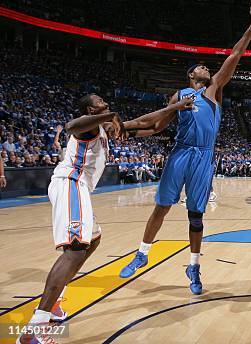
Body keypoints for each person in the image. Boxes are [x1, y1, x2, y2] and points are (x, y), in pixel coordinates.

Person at [17, 93, 194, 344]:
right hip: (70, 183)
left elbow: (151, 124)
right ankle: (35, 328)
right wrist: (110, 116)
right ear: (91, 108)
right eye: (99, 100)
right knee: (75, 251)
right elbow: (71, 126)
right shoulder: (87, 129)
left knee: (93, 239)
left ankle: (54, 304)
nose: (104, 101)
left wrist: (175, 107)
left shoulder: (105, 130)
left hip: (80, 189)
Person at [119, 2, 251, 294]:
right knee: (162, 207)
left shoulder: (213, 90)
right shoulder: (180, 95)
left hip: (204, 157)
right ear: (190, 75)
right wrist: (130, 131)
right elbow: (158, 125)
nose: (206, 68)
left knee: (195, 216)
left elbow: (235, 55)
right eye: (201, 66)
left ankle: (194, 267)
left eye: (207, 67)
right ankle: (142, 254)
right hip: (181, 152)